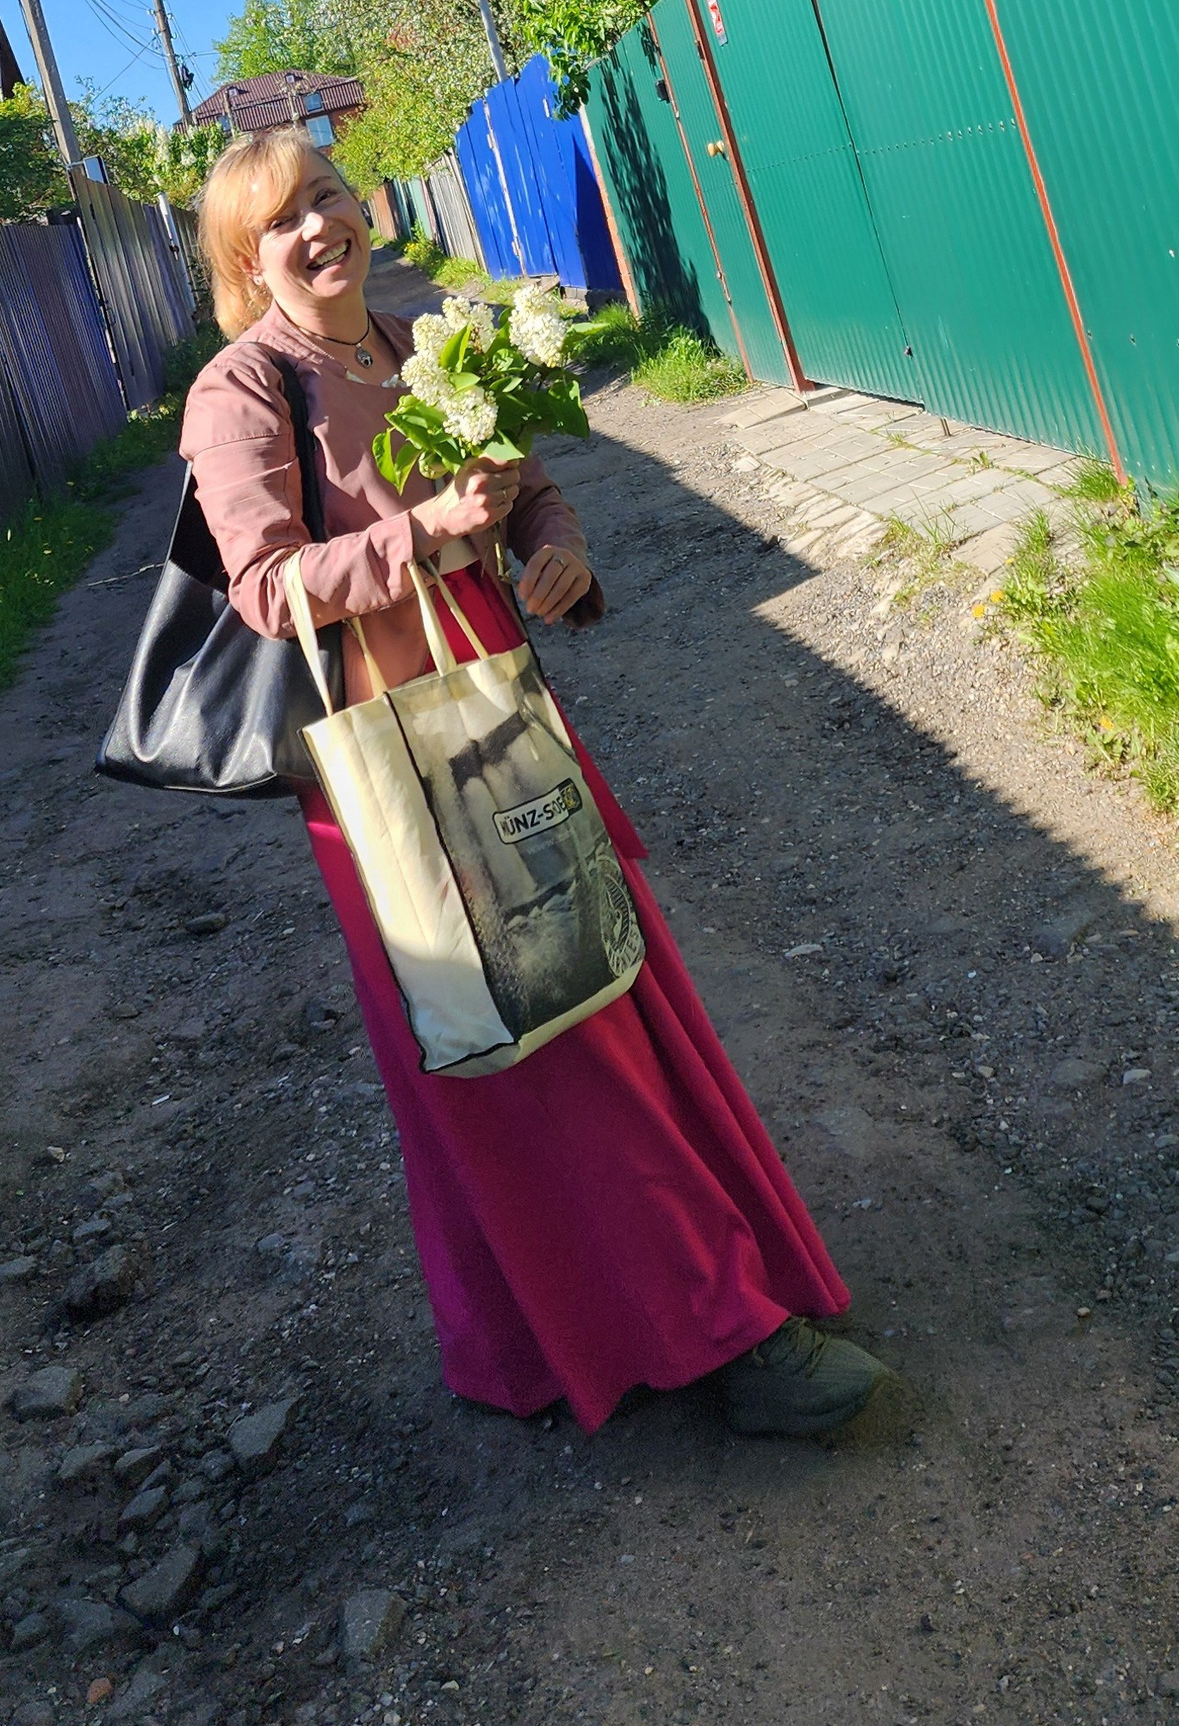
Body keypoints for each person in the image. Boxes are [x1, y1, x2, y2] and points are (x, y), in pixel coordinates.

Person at [179, 126, 887, 1435]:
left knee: (599, 990)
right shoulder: (240, 390)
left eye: (327, 193)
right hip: (392, 756)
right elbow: (266, 587)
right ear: (244, 258)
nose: (317, 226)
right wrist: (423, 534)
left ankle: (550, 1331)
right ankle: (721, 1330)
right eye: (279, 219)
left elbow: (530, 492)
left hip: (499, 706)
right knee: (520, 1043)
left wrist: (556, 551)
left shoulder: (425, 342)